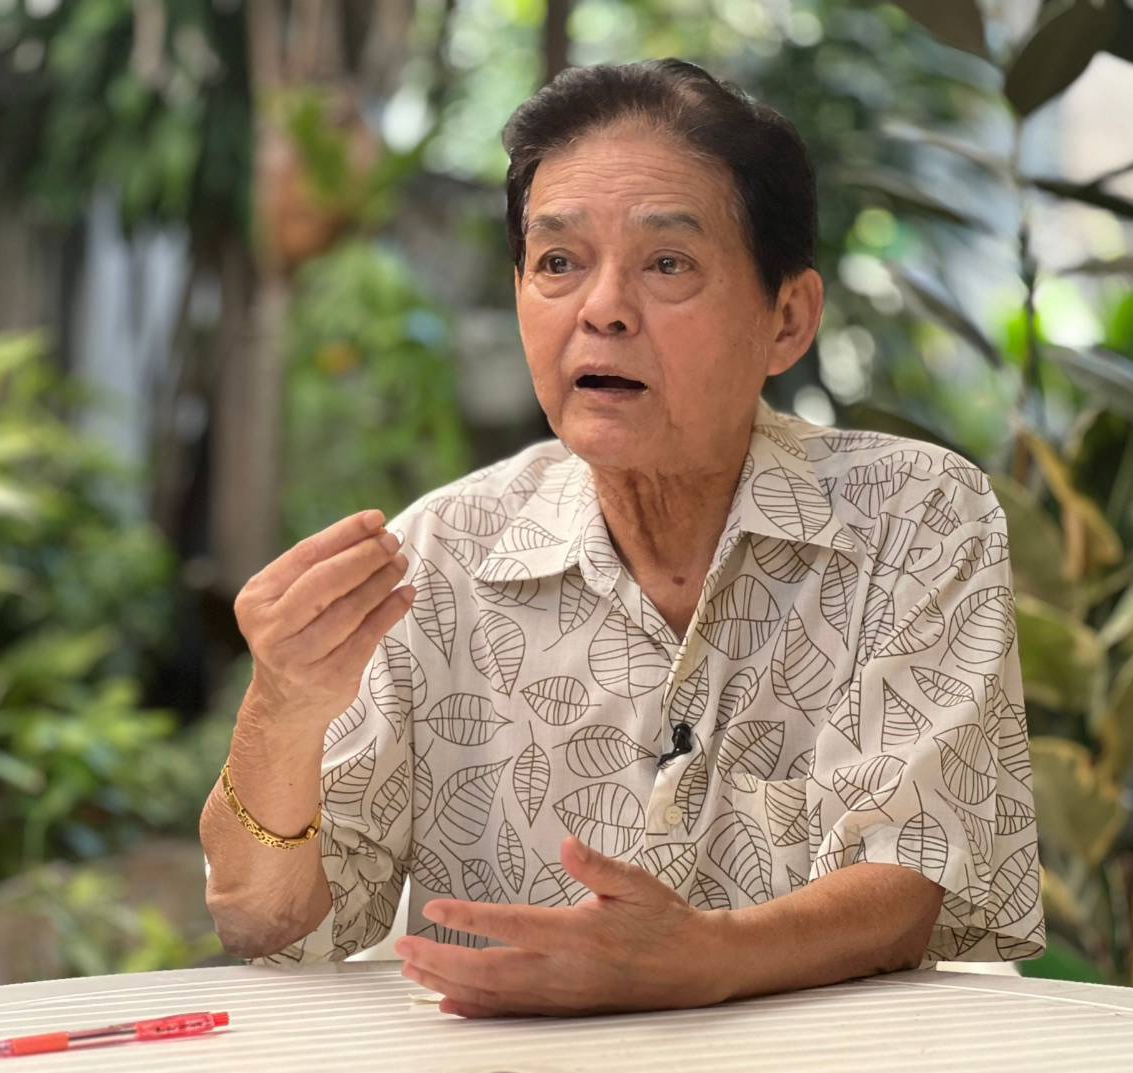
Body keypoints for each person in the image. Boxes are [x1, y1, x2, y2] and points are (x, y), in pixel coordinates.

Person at [200, 58, 1044, 1019]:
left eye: (666, 263)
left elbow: (909, 871)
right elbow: (270, 926)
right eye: (557, 263)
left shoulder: (912, 515)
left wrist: (706, 959)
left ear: (787, 319)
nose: (600, 308)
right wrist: (281, 708)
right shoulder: (439, 556)